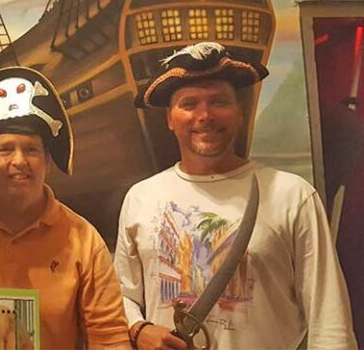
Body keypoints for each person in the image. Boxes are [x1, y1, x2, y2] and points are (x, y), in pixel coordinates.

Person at [115, 42, 356, 349]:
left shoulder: (292, 196)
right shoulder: (141, 198)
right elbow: (123, 294)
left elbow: (328, 317)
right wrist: (138, 329)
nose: (204, 115)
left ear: (240, 113)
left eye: (218, 102)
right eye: (189, 104)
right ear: (170, 120)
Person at [0, 66, 131, 349]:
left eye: (31, 150)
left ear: (47, 161)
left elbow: (109, 337)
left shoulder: (83, 238)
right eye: (6, 149)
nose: (19, 161)